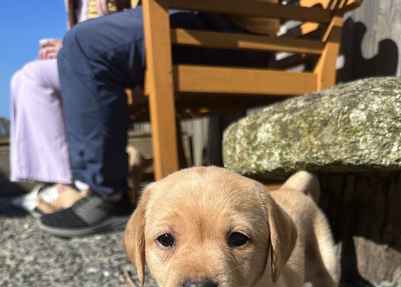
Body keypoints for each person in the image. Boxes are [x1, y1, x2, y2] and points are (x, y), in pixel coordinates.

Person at [39, 0, 280, 237]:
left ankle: (105, 195)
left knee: (84, 44)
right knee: (83, 43)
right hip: (201, 20)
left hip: (231, 28)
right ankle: (97, 189)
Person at [10, 1, 130, 215]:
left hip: (115, 58)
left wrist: (68, 48)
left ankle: (68, 184)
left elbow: (110, 28)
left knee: (33, 77)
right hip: (90, 57)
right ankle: (61, 182)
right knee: (23, 77)